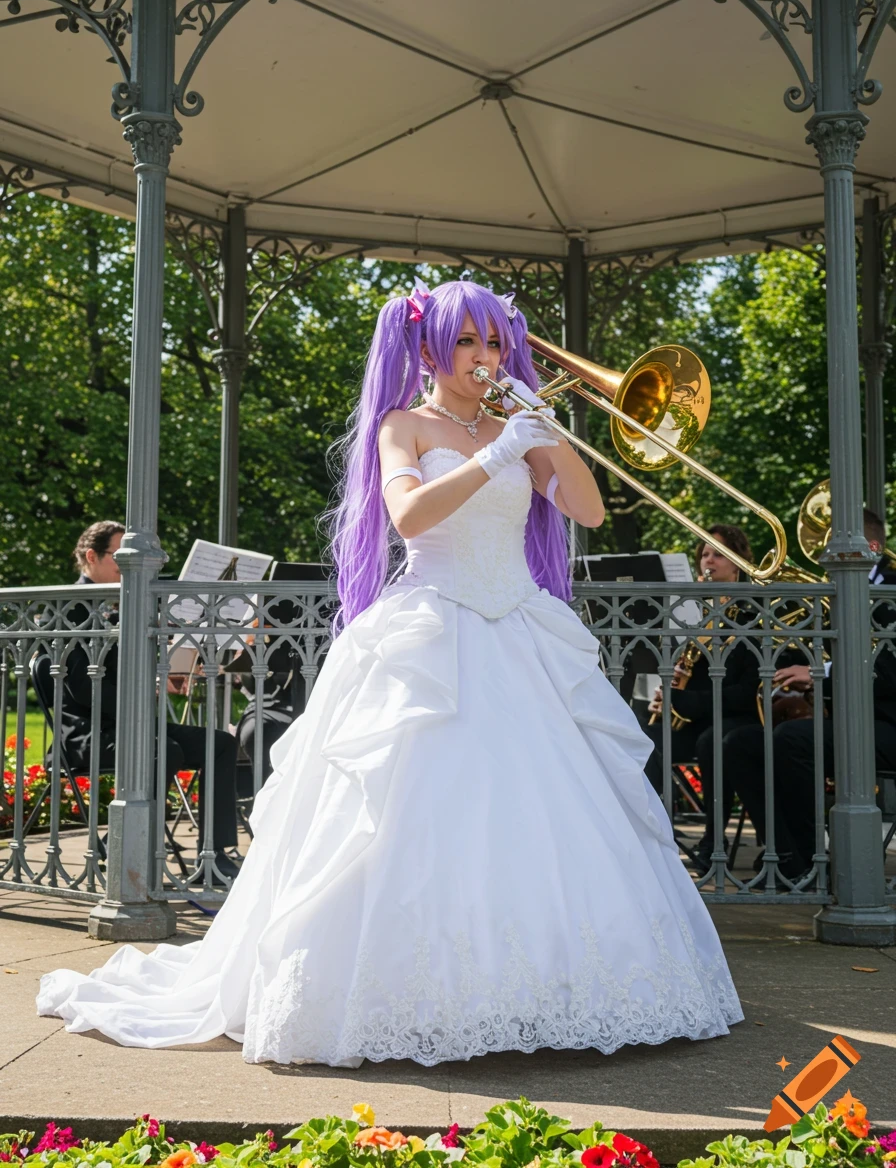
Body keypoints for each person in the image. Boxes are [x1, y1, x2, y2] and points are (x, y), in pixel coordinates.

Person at [38, 281, 742, 1066]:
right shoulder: (402, 424)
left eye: (496, 343)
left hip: (518, 630)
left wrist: (550, 437)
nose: (486, 358)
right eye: (469, 343)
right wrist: (501, 454)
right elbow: (408, 517)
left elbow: (588, 511)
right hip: (430, 627)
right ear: (434, 349)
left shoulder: (518, 424)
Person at [60, 521, 241, 880]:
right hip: (87, 731)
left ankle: (213, 855)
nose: (127, 566)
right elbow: (80, 688)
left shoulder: (122, 602)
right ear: (91, 556)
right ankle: (121, 845)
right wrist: (143, 694)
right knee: (165, 750)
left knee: (220, 744)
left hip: (133, 723)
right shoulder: (70, 606)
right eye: (120, 557)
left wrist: (162, 677)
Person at [723, 509, 896, 882]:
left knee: (792, 741)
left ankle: (816, 862)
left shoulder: (890, 590)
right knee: (739, 744)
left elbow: (889, 675)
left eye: (836, 544)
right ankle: (790, 859)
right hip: (853, 718)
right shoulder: (847, 591)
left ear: (871, 546)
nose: (823, 556)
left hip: (887, 724)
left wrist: (821, 674)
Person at [642, 525, 760, 875]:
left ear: (738, 564)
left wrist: (685, 700)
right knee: (644, 739)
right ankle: (654, 835)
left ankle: (714, 841)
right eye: (704, 554)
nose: (708, 560)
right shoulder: (699, 615)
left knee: (713, 743)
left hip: (740, 717)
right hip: (703, 715)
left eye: (718, 554)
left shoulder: (753, 613)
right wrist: (669, 696)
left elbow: (746, 692)